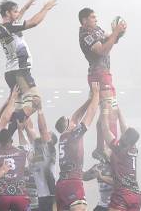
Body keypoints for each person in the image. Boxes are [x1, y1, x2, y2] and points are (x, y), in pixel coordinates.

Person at [0, 0, 57, 126]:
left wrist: (25, 8)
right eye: (15, 11)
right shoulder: (9, 27)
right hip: (20, 72)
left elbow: (18, 18)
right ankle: (6, 122)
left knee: (18, 107)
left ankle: (5, 133)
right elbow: (34, 22)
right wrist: (45, 8)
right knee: (35, 101)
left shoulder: (4, 27)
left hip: (12, 72)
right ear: (7, 13)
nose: (18, 14)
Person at [78, 7, 126, 150]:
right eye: (93, 17)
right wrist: (116, 33)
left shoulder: (96, 29)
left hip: (102, 74)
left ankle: (100, 149)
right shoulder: (85, 35)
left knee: (105, 113)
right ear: (84, 20)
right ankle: (112, 149)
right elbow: (102, 50)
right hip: (99, 74)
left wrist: (119, 32)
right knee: (110, 112)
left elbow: (110, 39)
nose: (96, 19)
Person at [54, 83, 100, 211]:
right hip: (72, 183)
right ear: (68, 126)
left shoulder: (64, 137)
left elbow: (76, 116)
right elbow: (90, 114)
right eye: (70, 121)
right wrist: (96, 95)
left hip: (61, 184)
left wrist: (88, 100)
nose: (74, 121)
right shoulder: (74, 135)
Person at [99, 105, 141, 211]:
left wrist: (104, 110)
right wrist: (119, 111)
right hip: (136, 195)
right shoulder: (133, 149)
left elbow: (105, 129)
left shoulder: (117, 148)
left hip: (122, 195)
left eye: (124, 134)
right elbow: (124, 128)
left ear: (125, 137)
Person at [22, 105, 58, 211]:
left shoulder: (50, 148)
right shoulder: (37, 146)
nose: (46, 133)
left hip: (49, 195)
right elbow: (29, 128)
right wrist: (26, 111)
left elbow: (42, 129)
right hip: (38, 195)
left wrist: (39, 110)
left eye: (48, 134)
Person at [0, 128, 30, 210]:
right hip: (20, 195)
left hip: (1, 195)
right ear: (11, 140)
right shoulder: (22, 153)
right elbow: (25, 145)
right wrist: (20, 128)